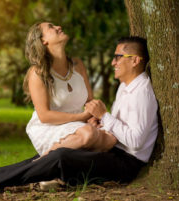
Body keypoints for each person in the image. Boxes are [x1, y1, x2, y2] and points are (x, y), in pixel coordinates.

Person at [0, 34, 158, 196]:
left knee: (60, 156)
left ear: (135, 61)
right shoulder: (126, 86)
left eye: (118, 57)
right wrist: (100, 121)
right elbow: (121, 127)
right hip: (113, 150)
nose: (113, 62)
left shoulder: (142, 93)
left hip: (127, 164)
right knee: (58, 149)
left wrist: (105, 116)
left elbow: (136, 141)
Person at [23, 22, 116, 157]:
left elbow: (89, 101)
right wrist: (82, 117)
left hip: (79, 125)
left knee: (111, 139)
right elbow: (44, 116)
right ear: (43, 41)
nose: (58, 27)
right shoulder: (37, 72)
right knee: (89, 135)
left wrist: (93, 118)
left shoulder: (77, 64)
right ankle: (44, 160)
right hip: (50, 127)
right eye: (51, 27)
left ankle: (63, 168)